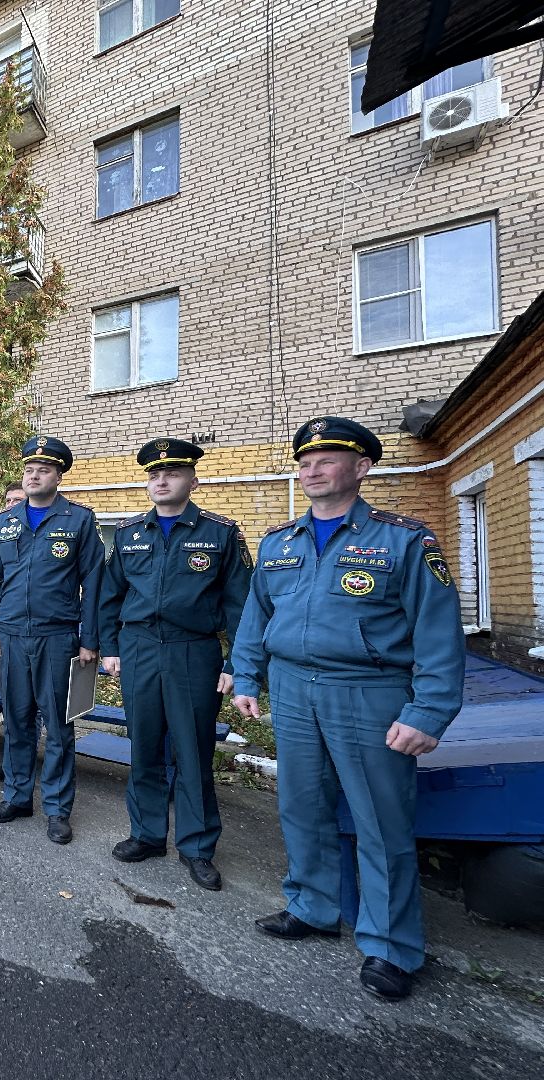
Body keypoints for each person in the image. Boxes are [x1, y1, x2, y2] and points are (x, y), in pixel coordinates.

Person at [231, 417, 465, 1002]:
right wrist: (247, 675)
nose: (312, 469)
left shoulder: (403, 540)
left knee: (380, 821)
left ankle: (391, 946)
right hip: (291, 689)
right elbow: (257, 618)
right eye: (305, 461)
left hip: (368, 692)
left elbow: (439, 633)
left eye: (328, 459)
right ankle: (312, 906)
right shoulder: (279, 543)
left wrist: (429, 712)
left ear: (361, 468)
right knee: (301, 806)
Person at [98, 439, 253, 891]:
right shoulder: (129, 534)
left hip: (193, 651)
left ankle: (197, 846)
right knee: (144, 746)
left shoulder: (221, 533)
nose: (161, 480)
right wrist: (111, 646)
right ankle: (146, 834)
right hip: (140, 649)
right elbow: (110, 596)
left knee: (192, 750)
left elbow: (241, 605)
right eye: (153, 474)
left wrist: (236, 662)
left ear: (192, 480)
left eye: (172, 473)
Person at [0, 437, 104, 844]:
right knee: (16, 720)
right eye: (29, 469)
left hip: (57, 637)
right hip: (12, 637)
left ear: (59, 475)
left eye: (44, 469)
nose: (34, 475)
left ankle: (57, 808)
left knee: (59, 725)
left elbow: (93, 583)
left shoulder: (78, 520)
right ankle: (17, 797)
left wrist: (90, 639)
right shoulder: (6, 522)